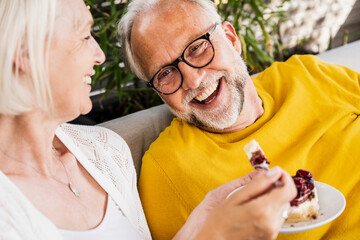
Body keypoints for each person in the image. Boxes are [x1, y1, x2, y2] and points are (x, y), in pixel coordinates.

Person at [0, 0, 296, 239]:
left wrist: (201, 223)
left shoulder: (106, 151)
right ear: (24, 53)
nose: (99, 55)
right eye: (84, 35)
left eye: (197, 48)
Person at [117, 0, 360, 239]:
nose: (193, 81)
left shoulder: (309, 74)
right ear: (158, 91)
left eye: (196, 48)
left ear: (231, 40)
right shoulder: (166, 170)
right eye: (165, 73)